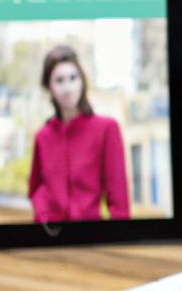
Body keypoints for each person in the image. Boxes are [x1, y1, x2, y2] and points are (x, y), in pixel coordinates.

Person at [27, 45, 130, 223]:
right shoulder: (43, 136)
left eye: (73, 78)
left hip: (90, 238)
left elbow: (119, 201)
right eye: (59, 80)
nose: (67, 88)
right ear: (49, 87)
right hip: (50, 238)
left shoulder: (107, 129)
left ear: (82, 81)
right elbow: (35, 189)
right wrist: (43, 217)